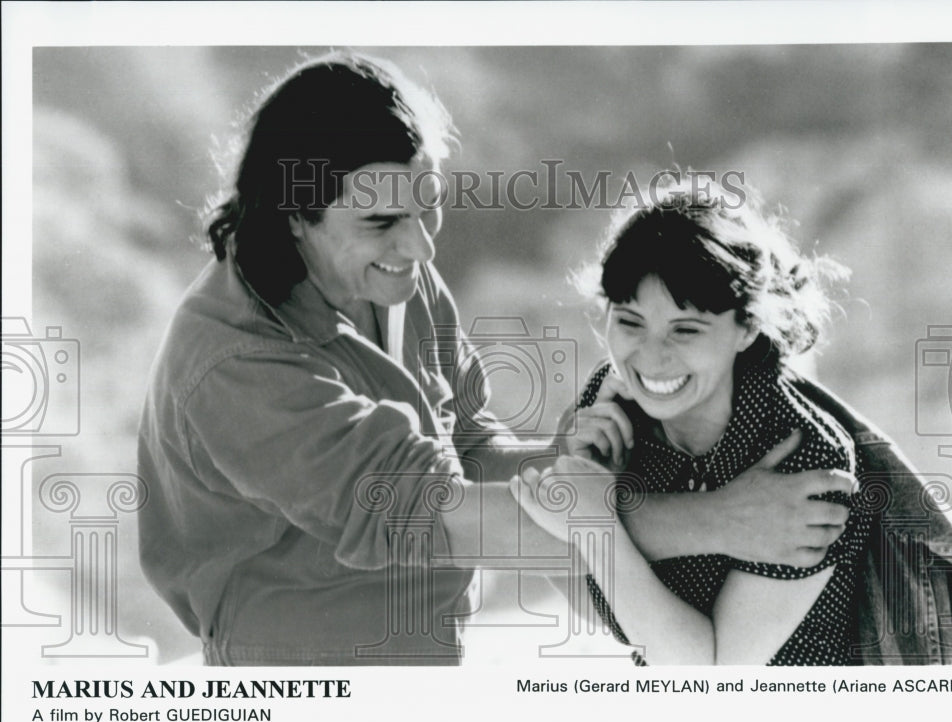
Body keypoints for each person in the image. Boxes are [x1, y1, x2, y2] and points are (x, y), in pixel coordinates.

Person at [138, 52, 858, 665]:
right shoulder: (233, 362)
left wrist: (563, 468)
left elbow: (470, 451)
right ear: (294, 214)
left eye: (428, 207)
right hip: (303, 693)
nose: (420, 249)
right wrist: (720, 520)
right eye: (382, 222)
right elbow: (447, 516)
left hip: (434, 661)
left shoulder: (390, 272)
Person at [514, 180, 952, 665]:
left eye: (685, 329)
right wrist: (577, 469)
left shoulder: (808, 458)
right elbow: (597, 608)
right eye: (629, 322)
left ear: (747, 327)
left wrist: (600, 526)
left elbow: (713, 676)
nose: (651, 357)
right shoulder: (610, 413)